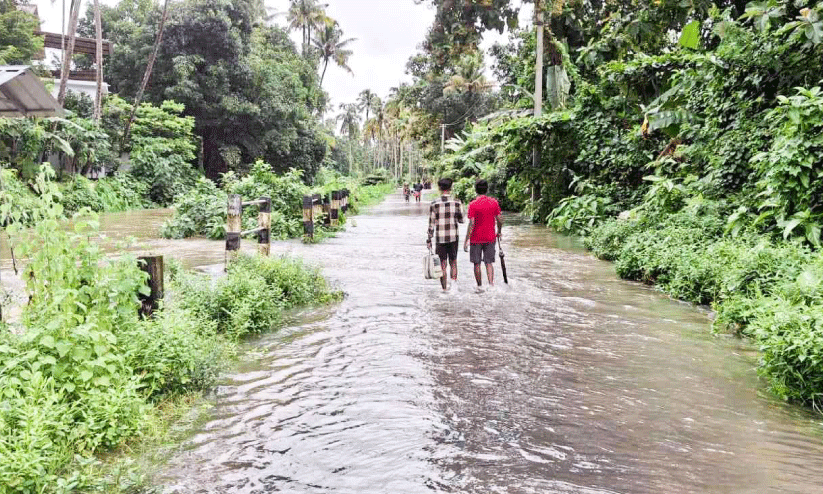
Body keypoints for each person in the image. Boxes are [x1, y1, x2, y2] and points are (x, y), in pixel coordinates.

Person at [427, 178, 464, 290]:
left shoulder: (434, 204)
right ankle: (453, 288)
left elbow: (431, 224)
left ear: (439, 188)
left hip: (440, 238)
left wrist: (429, 239)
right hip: (453, 237)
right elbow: (462, 220)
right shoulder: (457, 202)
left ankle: (444, 289)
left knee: (442, 263)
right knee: (453, 262)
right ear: (451, 188)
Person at [464, 179, 502, 286]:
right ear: (487, 189)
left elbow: (471, 222)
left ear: (476, 190)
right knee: (489, 263)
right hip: (490, 237)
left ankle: (479, 286)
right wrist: (499, 231)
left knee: (477, 263)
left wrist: (467, 239)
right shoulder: (494, 202)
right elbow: (499, 219)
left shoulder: (473, 204)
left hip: (476, 238)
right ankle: (491, 284)